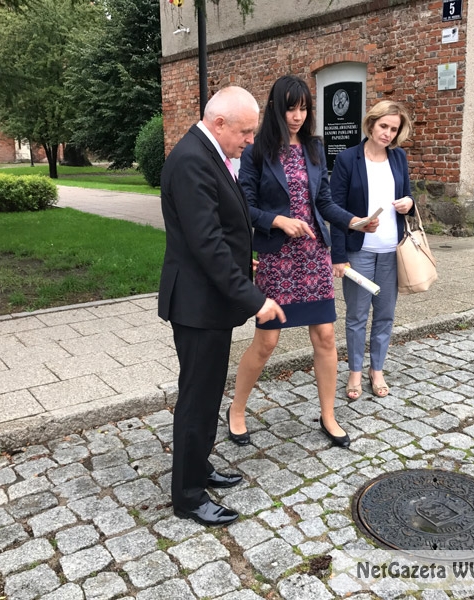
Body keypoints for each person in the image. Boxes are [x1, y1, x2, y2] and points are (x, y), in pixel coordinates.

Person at [227, 75, 378, 449]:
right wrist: (278, 220)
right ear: (276, 108)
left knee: (325, 336)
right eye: (290, 108)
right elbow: (244, 206)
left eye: (304, 108)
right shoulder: (257, 151)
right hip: (278, 259)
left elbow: (323, 201)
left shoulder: (314, 147)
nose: (297, 116)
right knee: (267, 341)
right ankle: (236, 409)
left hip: (313, 257)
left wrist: (354, 221)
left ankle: (328, 415)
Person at [158, 86, 286, 527]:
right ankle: (189, 496)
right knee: (197, 398)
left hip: (208, 300)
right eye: (245, 132)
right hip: (197, 305)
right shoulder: (192, 160)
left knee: (209, 391)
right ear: (219, 123)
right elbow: (207, 243)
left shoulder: (207, 153)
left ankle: (199, 467)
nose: (250, 140)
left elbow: (221, 227)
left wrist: (242, 258)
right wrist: (256, 298)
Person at [330, 100, 415, 400]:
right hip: (359, 251)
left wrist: (409, 203)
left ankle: (376, 369)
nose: (388, 133)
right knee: (356, 316)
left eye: (394, 129)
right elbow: (335, 209)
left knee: (385, 315)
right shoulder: (347, 159)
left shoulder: (399, 158)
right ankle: (355, 371)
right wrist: (338, 256)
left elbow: (408, 196)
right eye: (383, 126)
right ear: (371, 124)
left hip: (392, 250)